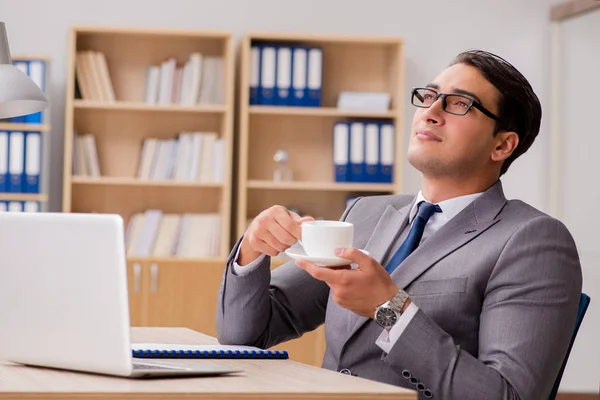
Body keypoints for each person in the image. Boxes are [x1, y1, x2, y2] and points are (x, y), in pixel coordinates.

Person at [216, 49, 582, 400]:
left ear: (502, 145)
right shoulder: (364, 214)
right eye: (429, 96)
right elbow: (244, 334)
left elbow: (507, 395)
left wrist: (390, 309)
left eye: (459, 104)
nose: (431, 112)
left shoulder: (533, 241)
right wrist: (252, 249)